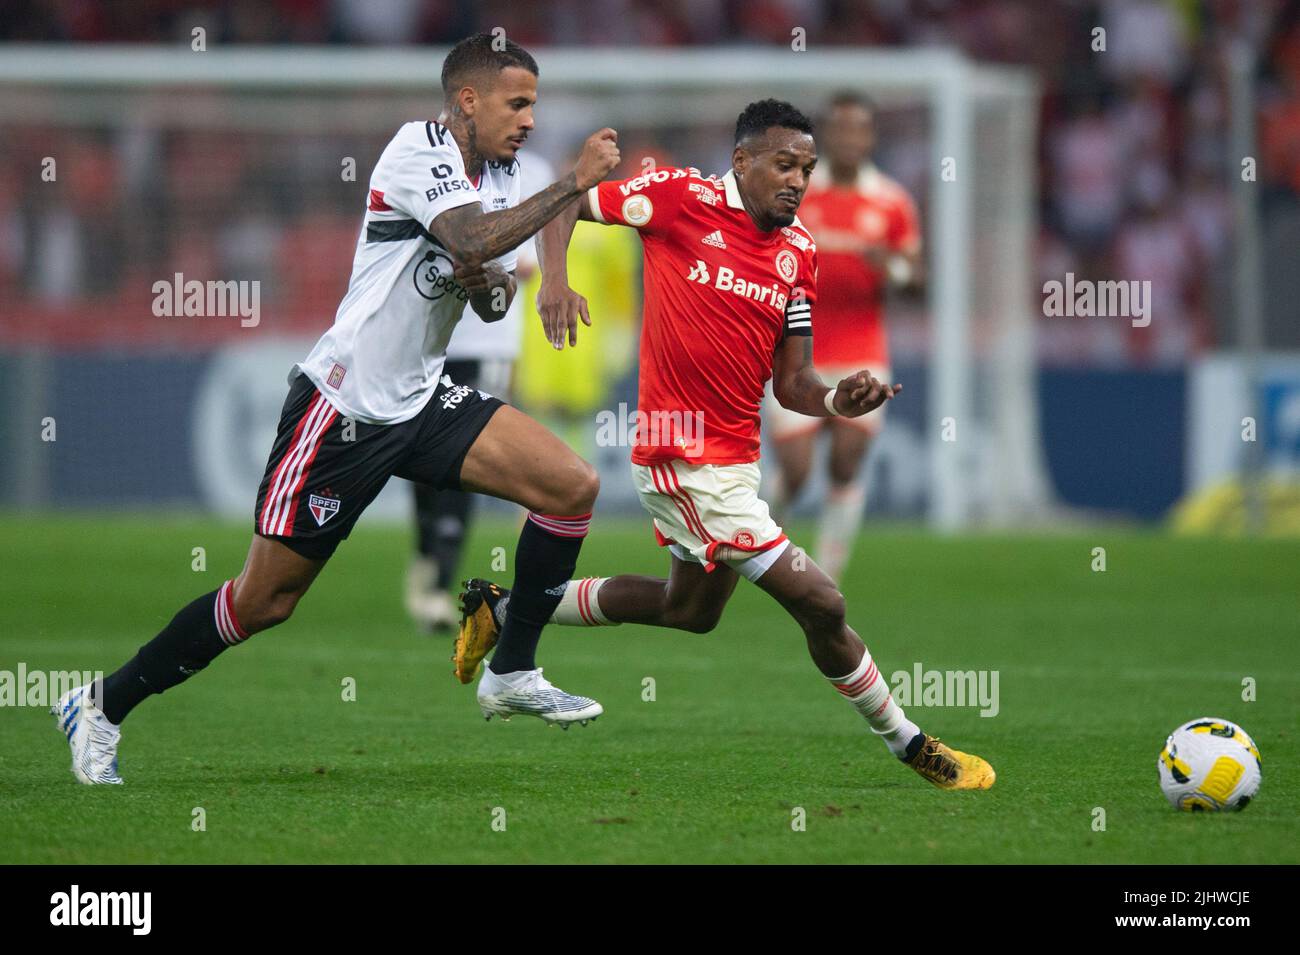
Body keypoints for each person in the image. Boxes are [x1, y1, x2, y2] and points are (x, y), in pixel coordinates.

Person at [53, 33, 620, 785]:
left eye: (535, 105)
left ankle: (511, 669)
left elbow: (482, 280)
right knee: (264, 601)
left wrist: (500, 285)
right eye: (517, 104)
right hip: (344, 406)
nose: (529, 120)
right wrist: (570, 185)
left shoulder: (505, 171)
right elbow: (473, 235)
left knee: (570, 485)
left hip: (421, 396)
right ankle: (100, 704)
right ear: (468, 101)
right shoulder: (416, 150)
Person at [456, 99, 993, 790]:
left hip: (735, 464)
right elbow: (564, 201)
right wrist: (554, 282)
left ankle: (506, 607)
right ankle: (911, 743)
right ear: (742, 161)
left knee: (690, 611)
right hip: (680, 457)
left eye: (806, 167)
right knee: (823, 604)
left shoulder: (798, 252)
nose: (797, 180)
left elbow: (793, 382)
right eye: (783, 164)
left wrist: (835, 399)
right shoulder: (680, 198)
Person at [762, 91, 923, 582]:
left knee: (847, 463)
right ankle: (755, 543)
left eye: (859, 128)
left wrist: (891, 268)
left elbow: (918, 280)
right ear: (827, 135)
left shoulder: (892, 201)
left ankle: (827, 575)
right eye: (841, 128)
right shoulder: (798, 190)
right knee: (796, 468)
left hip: (861, 350)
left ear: (870, 136)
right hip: (795, 349)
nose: (850, 137)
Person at [404, 153, 555, 634]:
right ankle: (427, 551)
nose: (522, 120)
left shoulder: (535, 174)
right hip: (426, 337)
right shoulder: (435, 161)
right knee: (412, 452)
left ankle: (439, 581)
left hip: (488, 342)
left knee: (464, 456)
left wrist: (485, 257)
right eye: (514, 105)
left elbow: (531, 265)